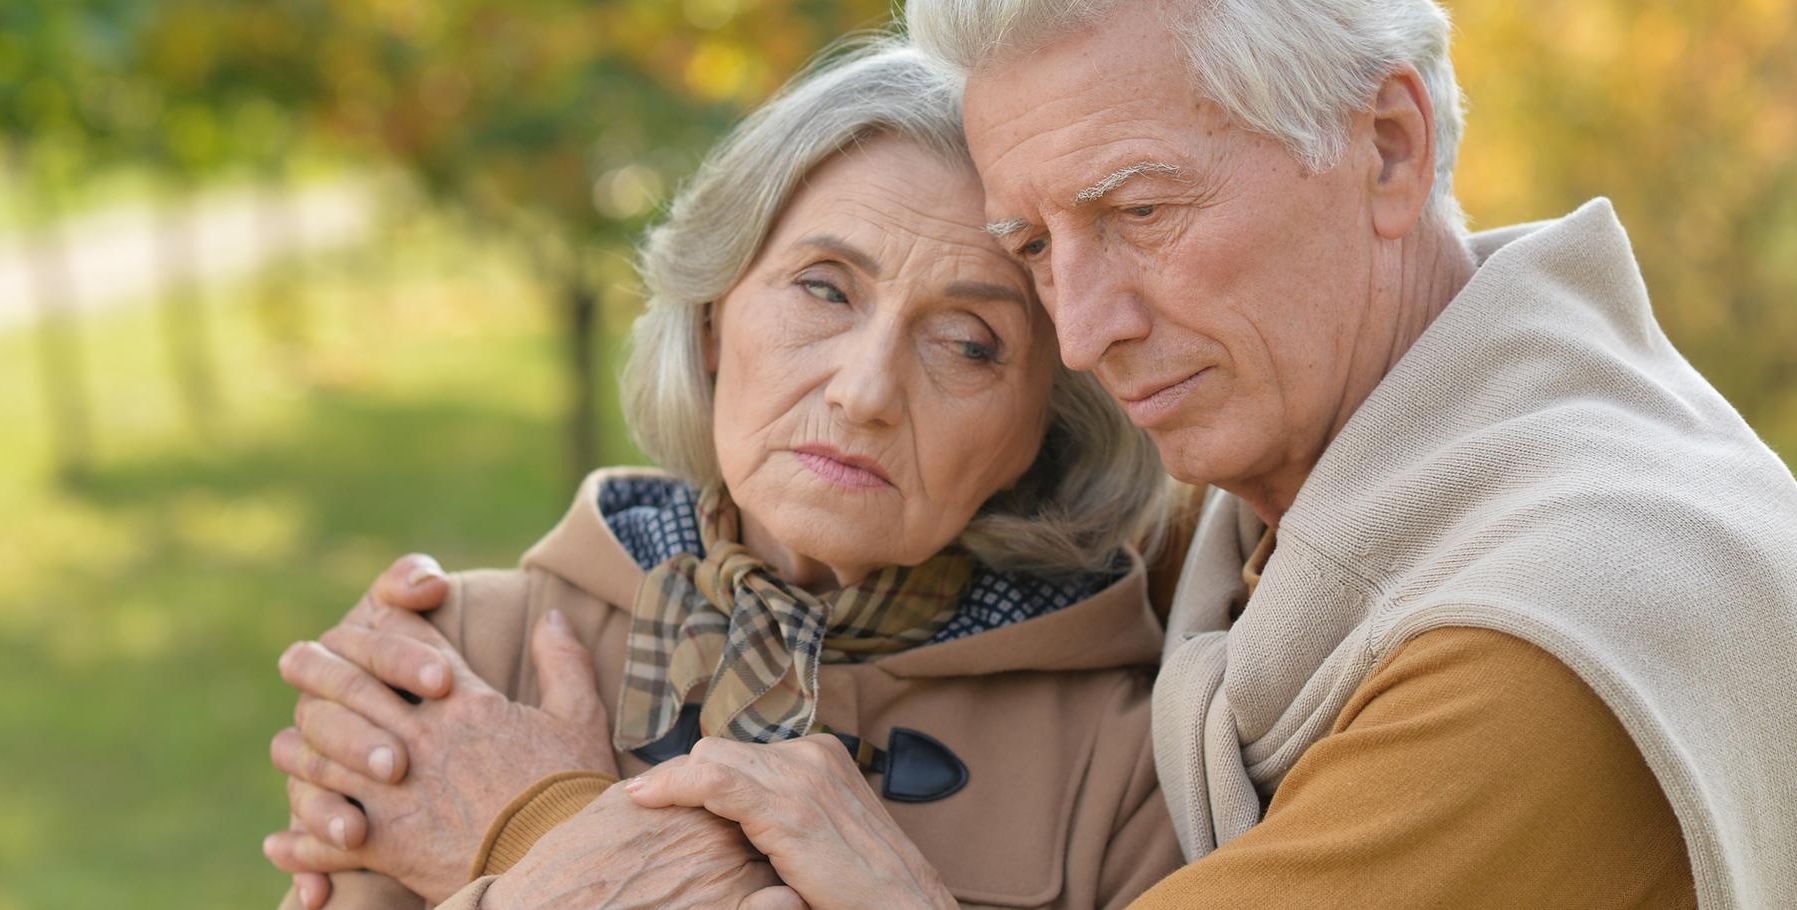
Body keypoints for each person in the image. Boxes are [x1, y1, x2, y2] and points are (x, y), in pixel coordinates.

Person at [609, 2, 1797, 908]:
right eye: (1032, 245)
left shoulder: (1542, 631)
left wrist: (550, 830)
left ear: (1387, 146)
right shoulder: (1303, 496)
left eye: (1140, 213)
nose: (1082, 330)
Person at [262, 41, 1187, 910]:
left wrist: (540, 842)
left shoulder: (1128, 758)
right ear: (712, 315)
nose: (865, 391)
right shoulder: (458, 657)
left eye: (967, 344)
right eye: (824, 289)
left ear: (1043, 429)